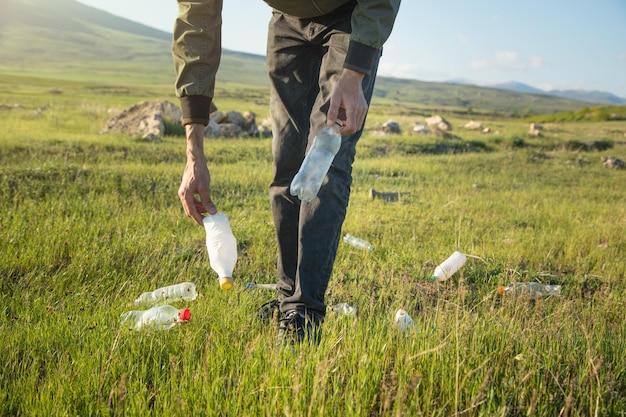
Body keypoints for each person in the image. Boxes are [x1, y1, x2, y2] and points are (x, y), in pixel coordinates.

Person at [172, 0, 401, 346]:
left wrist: (355, 72)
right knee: (286, 163)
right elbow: (197, 23)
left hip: (350, 15)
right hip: (287, 20)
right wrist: (194, 154)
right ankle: (287, 297)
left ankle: (305, 310)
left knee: (325, 163)